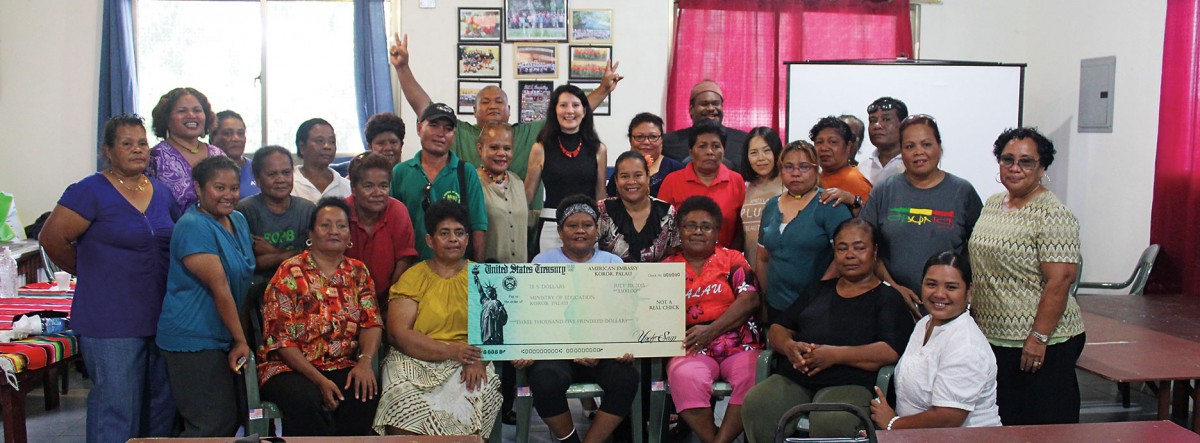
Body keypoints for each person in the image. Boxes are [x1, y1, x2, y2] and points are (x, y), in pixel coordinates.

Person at [39, 114, 176, 442]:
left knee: (159, 407)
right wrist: (91, 272)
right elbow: (51, 239)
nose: (137, 150)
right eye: (126, 144)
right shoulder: (89, 191)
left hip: (161, 317)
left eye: (142, 143)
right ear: (108, 151)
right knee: (117, 408)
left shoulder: (162, 192)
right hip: (110, 319)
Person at [742, 219, 914, 441]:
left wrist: (834, 355)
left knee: (832, 419)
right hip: (797, 378)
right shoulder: (818, 290)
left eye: (859, 248)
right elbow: (779, 327)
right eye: (842, 248)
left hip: (850, 382)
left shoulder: (888, 298)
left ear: (874, 251)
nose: (850, 255)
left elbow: (890, 350)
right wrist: (789, 346)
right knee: (758, 404)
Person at [388, 32, 618, 184]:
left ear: (510, 110)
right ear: (474, 112)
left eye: (499, 102)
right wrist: (402, 68)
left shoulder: (528, 133)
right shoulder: (459, 133)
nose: (493, 106)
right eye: (485, 102)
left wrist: (603, 89)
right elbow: (424, 107)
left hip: (523, 226)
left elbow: (571, 114)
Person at [968, 128, 1084, 425]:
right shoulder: (993, 203)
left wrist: (1038, 337)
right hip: (994, 336)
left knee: (1041, 425)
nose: (1015, 168)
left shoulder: (1052, 213)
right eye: (1007, 160)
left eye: (1026, 162)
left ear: (1042, 167)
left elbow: (1060, 281)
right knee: (1004, 422)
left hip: (1041, 342)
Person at [373, 201, 502, 436]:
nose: (453, 239)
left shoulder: (484, 279)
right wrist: (450, 351)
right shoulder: (412, 278)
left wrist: (479, 361)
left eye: (459, 233)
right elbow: (398, 334)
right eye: (444, 233)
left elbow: (496, 332)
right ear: (430, 241)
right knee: (402, 394)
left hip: (470, 358)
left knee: (478, 390)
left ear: (467, 239)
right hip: (413, 358)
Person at [258, 198, 384, 436]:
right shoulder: (289, 272)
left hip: (340, 363)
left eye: (341, 226)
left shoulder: (358, 272)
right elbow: (281, 340)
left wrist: (365, 362)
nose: (334, 231)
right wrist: (319, 381)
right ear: (311, 233)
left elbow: (372, 322)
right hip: (289, 368)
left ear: (349, 234)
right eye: (326, 225)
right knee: (306, 399)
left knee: (363, 392)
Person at [516, 195, 635, 443]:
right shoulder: (542, 262)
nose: (580, 231)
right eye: (572, 225)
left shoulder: (613, 263)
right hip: (558, 355)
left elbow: (623, 316)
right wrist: (572, 349)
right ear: (560, 231)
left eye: (587, 225)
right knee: (544, 380)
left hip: (602, 355)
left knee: (627, 378)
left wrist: (617, 347)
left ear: (597, 229)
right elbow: (538, 317)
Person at [156, 156, 255, 436]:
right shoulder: (193, 225)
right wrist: (240, 340)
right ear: (198, 188)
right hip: (194, 336)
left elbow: (243, 280)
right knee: (210, 423)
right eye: (219, 187)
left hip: (223, 334)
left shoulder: (237, 220)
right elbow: (220, 287)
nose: (229, 195)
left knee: (232, 418)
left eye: (234, 188)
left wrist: (241, 336)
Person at [661, 196, 762, 443]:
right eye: (690, 225)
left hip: (739, 343)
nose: (698, 231)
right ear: (679, 230)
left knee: (752, 374)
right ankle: (714, 439)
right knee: (685, 377)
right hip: (689, 345)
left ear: (716, 232)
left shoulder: (732, 259)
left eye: (706, 226)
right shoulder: (666, 266)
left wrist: (710, 330)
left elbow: (749, 299)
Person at [860, 115, 982, 312]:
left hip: (946, 308)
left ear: (939, 147)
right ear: (901, 151)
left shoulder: (962, 191)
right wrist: (893, 286)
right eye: (909, 146)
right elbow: (866, 247)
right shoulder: (884, 190)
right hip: (891, 304)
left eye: (926, 144)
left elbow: (977, 249)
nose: (919, 152)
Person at [869, 251, 1002, 430]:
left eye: (951, 287)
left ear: (969, 292)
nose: (939, 294)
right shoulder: (925, 322)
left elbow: (948, 419)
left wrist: (893, 424)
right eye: (931, 284)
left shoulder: (966, 345)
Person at [756, 141, 852, 321]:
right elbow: (762, 258)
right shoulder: (770, 206)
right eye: (789, 167)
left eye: (804, 166)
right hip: (776, 305)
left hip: (819, 306)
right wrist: (763, 299)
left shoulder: (829, 203)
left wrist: (818, 295)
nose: (796, 173)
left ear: (817, 170)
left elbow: (844, 257)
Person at [389, 103, 489, 262]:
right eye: (434, 125)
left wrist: (476, 276)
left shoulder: (466, 172)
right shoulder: (399, 172)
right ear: (419, 127)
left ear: (454, 134)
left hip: (456, 274)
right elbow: (390, 228)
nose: (441, 134)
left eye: (448, 129)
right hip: (410, 273)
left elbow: (478, 227)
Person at [524, 85, 609, 253]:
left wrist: (602, 228)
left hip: (587, 226)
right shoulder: (540, 148)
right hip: (551, 224)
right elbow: (527, 193)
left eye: (575, 105)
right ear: (554, 110)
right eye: (563, 105)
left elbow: (600, 195)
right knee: (549, 279)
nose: (569, 111)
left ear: (584, 111)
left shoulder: (598, 149)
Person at [658, 120, 746, 250]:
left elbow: (741, 229)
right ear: (691, 151)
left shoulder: (736, 181)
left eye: (716, 146)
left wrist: (729, 258)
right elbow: (661, 229)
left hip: (725, 262)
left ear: (724, 150)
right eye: (702, 146)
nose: (709, 151)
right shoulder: (672, 181)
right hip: (680, 262)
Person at [346, 152, 418, 310]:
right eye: (368, 186)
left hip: (389, 299)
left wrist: (388, 303)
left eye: (383, 186)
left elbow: (404, 261)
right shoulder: (341, 213)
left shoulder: (398, 211)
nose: (377, 193)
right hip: (346, 300)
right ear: (353, 188)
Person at [236, 146, 316, 284]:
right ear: (258, 178)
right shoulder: (244, 211)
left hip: (303, 287)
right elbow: (248, 265)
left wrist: (273, 252)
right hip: (257, 291)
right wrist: (293, 255)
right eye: (272, 174)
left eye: (286, 173)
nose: (281, 180)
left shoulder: (308, 210)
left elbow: (315, 259)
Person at [147, 87, 224, 210]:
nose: (191, 115)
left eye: (197, 110)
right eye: (182, 111)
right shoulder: (155, 157)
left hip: (218, 227)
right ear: (166, 118)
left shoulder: (218, 154)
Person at [598, 151, 680, 263]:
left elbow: (672, 256)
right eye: (624, 176)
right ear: (616, 181)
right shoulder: (602, 210)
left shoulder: (667, 211)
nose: (631, 181)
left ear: (648, 177)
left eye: (638, 175)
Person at [661, 80, 749, 170]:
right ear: (691, 109)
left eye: (716, 104)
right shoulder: (669, 142)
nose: (711, 108)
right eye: (704, 104)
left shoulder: (743, 140)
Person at [475, 121, 530, 263]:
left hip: (520, 276)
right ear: (480, 149)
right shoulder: (472, 183)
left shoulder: (517, 182)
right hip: (487, 276)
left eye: (507, 148)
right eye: (494, 147)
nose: (501, 153)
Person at [605, 113, 685, 198]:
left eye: (653, 137)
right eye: (639, 137)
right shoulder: (622, 168)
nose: (646, 142)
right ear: (630, 139)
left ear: (661, 139)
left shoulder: (676, 169)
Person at [738, 127, 784, 270]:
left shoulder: (789, 185)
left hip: (780, 272)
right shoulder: (744, 187)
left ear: (777, 152)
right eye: (753, 153)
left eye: (767, 150)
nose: (761, 158)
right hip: (751, 271)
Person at [811, 116, 871, 210]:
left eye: (833, 142)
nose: (824, 148)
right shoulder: (813, 179)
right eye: (819, 142)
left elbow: (868, 220)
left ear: (848, 146)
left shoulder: (856, 180)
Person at [292, 118, 352, 202]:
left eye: (332, 141)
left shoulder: (347, 187)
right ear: (302, 147)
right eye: (320, 141)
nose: (327, 146)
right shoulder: (289, 183)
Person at [332, 112, 407, 176]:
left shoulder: (410, 177)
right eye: (381, 143)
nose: (388, 148)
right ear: (370, 147)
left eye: (393, 142)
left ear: (401, 144)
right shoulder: (357, 181)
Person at [858, 97, 908, 185]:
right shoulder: (862, 169)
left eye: (886, 119)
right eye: (873, 121)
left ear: (903, 124)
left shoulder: (912, 163)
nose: (877, 126)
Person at [210, 110, 259, 197]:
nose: (236, 139)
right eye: (228, 133)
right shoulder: (204, 172)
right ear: (212, 139)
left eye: (240, 133)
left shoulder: (258, 169)